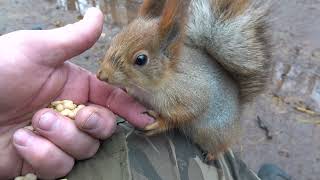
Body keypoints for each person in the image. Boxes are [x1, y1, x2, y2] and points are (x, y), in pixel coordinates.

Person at [0, 7, 291, 180]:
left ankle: (221, 155)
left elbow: (195, 105)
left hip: (213, 118)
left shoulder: (175, 86)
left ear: (164, 57)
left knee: (208, 141)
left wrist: (167, 121)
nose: (101, 76)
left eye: (139, 61)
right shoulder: (151, 78)